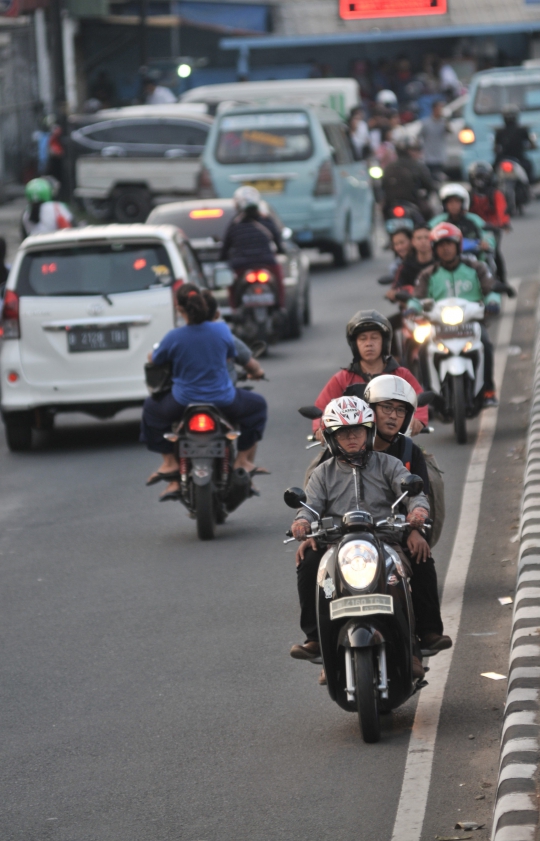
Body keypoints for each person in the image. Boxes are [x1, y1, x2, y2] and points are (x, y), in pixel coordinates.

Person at [289, 395, 431, 681]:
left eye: (358, 430)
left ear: (369, 432)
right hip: (337, 545)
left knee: (404, 579)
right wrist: (302, 522)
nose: (351, 437)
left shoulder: (388, 464)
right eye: (343, 432)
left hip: (385, 540)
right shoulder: (322, 474)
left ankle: (413, 649)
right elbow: (310, 506)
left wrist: (417, 513)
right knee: (312, 571)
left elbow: (414, 492)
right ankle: (319, 644)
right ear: (332, 437)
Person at [141, 285, 268, 500]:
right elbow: (234, 354)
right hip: (224, 400)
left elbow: (155, 359)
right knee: (258, 406)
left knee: (150, 409)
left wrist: (152, 354)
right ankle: (243, 460)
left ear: (179, 308)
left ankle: (170, 462)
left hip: (182, 401)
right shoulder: (221, 331)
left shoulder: (174, 337)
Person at [364, 375, 452, 655]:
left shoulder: (409, 451)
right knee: (315, 565)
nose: (392, 416)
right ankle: (320, 641)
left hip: (397, 531)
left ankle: (427, 632)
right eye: (386, 408)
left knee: (422, 558)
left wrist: (415, 530)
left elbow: (420, 495)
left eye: (400, 410)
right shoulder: (349, 445)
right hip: (350, 536)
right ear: (370, 410)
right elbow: (320, 494)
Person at [409, 222, 500, 407]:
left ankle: (489, 390)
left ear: (457, 245)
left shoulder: (476, 267)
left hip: (471, 321)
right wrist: (412, 308)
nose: (445, 249)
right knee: (424, 348)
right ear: (434, 249)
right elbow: (416, 297)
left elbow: (491, 289)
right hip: (439, 325)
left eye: (449, 244)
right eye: (440, 245)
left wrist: (493, 302)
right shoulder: (428, 274)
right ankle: (428, 392)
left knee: (486, 344)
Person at [312, 310, 429, 436]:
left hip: (395, 442)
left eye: (374, 338)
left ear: (384, 343)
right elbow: (321, 409)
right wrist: (320, 428)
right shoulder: (342, 379)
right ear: (355, 344)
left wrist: (417, 420)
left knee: (419, 455)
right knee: (324, 456)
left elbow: (418, 400)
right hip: (352, 445)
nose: (368, 344)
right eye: (363, 339)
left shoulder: (401, 375)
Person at [200, 289, 265, 385]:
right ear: (217, 314)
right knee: (259, 400)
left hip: (189, 396)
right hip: (223, 393)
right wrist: (258, 372)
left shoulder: (178, 338)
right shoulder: (224, 335)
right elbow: (251, 365)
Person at [220, 186, 284, 276]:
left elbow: (226, 246)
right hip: (266, 261)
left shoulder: (234, 224)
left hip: (240, 265)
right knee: (278, 277)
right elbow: (277, 238)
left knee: (232, 283)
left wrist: (222, 258)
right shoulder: (266, 220)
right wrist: (281, 251)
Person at [468, 161, 510, 284]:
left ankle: (502, 280)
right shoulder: (470, 195)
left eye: (483, 178)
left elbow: (502, 210)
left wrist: (503, 223)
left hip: (492, 229)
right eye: (477, 178)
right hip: (474, 229)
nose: (480, 182)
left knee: (495, 253)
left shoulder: (495, 194)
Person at [382, 137, 434, 219]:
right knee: (428, 213)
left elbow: (382, 186)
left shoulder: (388, 167)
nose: (418, 153)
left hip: (391, 205)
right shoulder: (418, 166)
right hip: (413, 203)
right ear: (408, 151)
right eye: (415, 150)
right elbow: (429, 185)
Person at [494, 103, 536, 184]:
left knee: (494, 173)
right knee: (529, 173)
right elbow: (532, 145)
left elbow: (495, 148)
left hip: (503, 159)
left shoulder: (499, 131)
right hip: (519, 159)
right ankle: (529, 188)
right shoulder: (522, 130)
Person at [420, 100, 450, 183]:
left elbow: (449, 132)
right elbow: (420, 136)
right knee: (430, 178)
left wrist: (446, 120)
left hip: (440, 156)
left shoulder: (443, 122)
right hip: (429, 156)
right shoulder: (426, 123)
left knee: (439, 178)